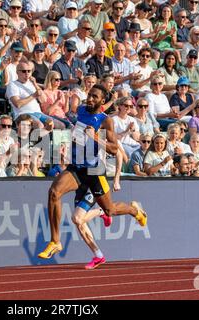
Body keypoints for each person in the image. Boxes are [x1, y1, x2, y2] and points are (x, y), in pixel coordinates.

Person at [37, 84, 147, 259]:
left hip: (95, 171)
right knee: (54, 193)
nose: (90, 99)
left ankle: (135, 211)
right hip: (76, 168)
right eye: (89, 95)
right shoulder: (81, 110)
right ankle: (55, 241)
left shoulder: (105, 121)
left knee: (109, 210)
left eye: (95, 97)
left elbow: (113, 149)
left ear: (102, 101)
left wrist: (95, 137)